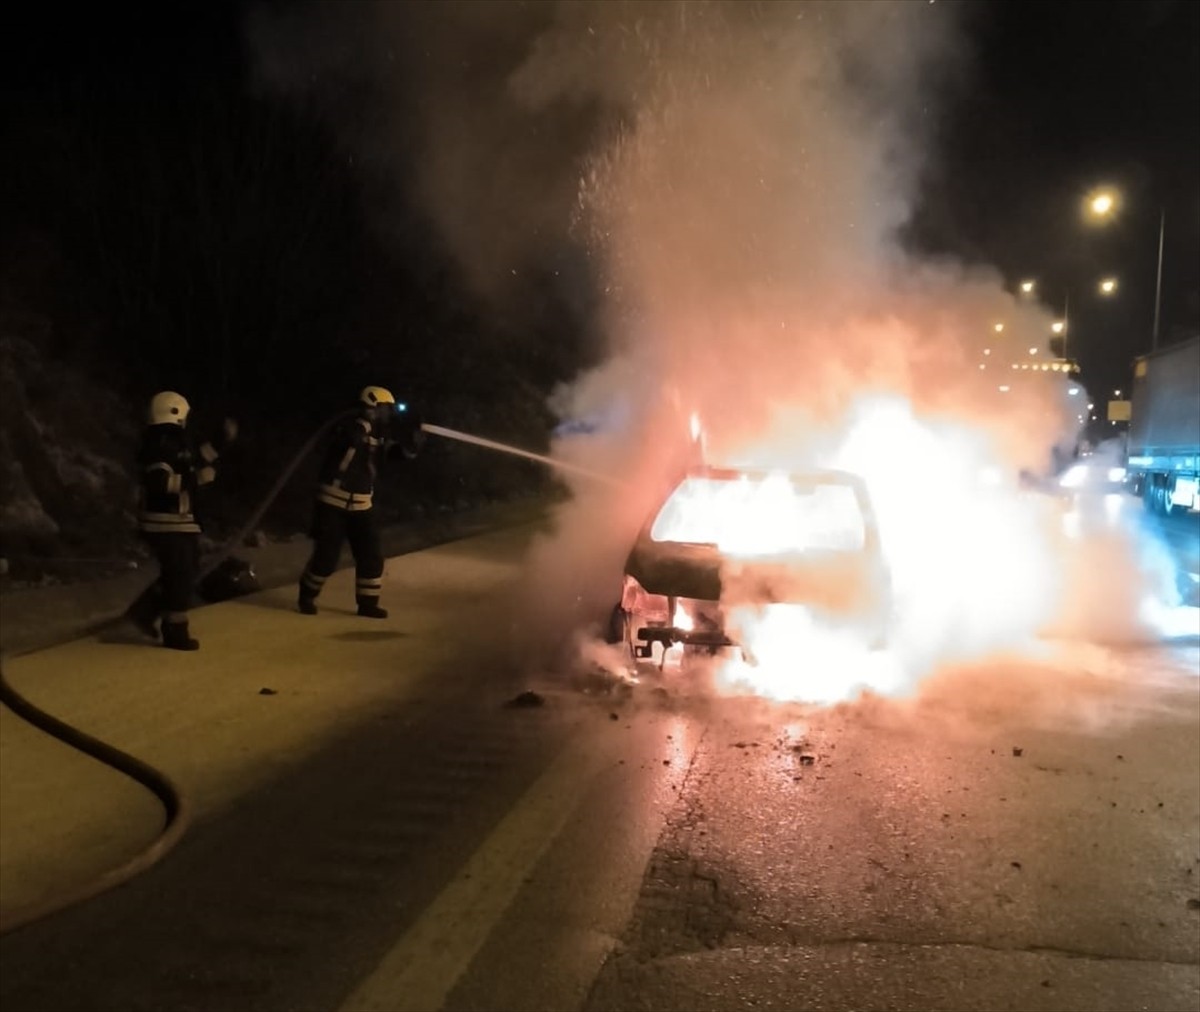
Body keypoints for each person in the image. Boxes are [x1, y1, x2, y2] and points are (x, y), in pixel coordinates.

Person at [297, 385, 422, 618]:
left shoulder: (378, 433)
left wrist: (411, 447)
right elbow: (343, 442)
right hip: (332, 503)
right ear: (372, 405)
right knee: (326, 558)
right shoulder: (349, 426)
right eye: (385, 408)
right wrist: (359, 427)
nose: (388, 413)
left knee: (371, 555)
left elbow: (391, 455)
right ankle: (307, 595)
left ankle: (367, 603)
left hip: (362, 504)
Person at [127, 391, 237, 650]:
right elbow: (159, 483)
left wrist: (221, 441)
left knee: (184, 572)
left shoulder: (172, 442)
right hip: (164, 522)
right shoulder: (159, 445)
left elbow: (196, 458)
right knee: (180, 575)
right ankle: (175, 632)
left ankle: (144, 612)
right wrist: (196, 480)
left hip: (178, 521)